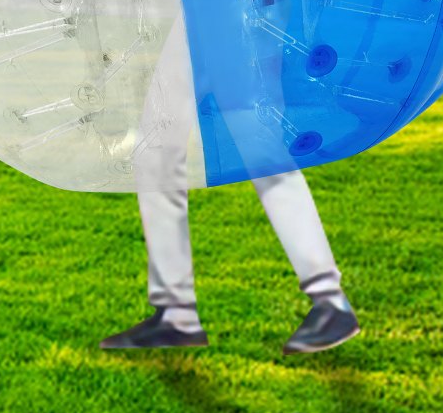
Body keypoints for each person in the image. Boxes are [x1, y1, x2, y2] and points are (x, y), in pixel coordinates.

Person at [101, 19, 361, 356]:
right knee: (158, 152)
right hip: (200, 7)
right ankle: (176, 313)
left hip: (230, 3)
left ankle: (329, 300)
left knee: (260, 148)